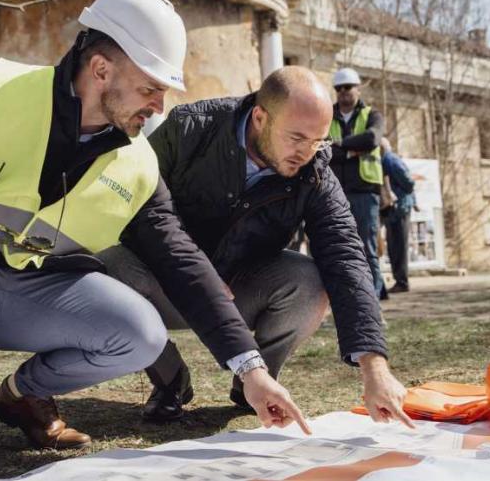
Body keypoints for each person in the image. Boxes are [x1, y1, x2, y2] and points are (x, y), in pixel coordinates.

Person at [0, 0, 308, 479]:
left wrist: (251, 370)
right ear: (101, 69)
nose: (158, 106)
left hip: (36, 297)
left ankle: (23, 396)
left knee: (141, 333)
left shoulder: (138, 163)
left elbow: (181, 259)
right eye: (149, 88)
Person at [100, 66, 411, 428]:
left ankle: (256, 381)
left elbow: (345, 255)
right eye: (296, 138)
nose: (306, 153)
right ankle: (169, 379)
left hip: (241, 286)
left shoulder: (314, 171)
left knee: (308, 281)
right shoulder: (190, 129)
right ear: (261, 118)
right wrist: (201, 275)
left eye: (318, 141)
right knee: (108, 270)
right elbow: (138, 211)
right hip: (167, 281)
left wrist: (374, 365)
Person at [328, 67, 387, 299]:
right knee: (339, 249)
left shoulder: (373, 115)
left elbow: (372, 138)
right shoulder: (326, 115)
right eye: (339, 88)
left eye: (348, 87)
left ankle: (371, 301)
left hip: (365, 191)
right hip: (334, 193)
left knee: (367, 249)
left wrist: (339, 144)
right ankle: (345, 298)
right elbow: (323, 149)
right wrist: (353, 150)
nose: (343, 92)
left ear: (358, 88)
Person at [379, 138, 416, 294]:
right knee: (394, 244)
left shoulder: (390, 159)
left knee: (399, 244)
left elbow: (409, 182)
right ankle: (399, 280)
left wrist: (401, 197)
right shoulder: (386, 159)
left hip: (399, 208)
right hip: (393, 209)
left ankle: (402, 281)